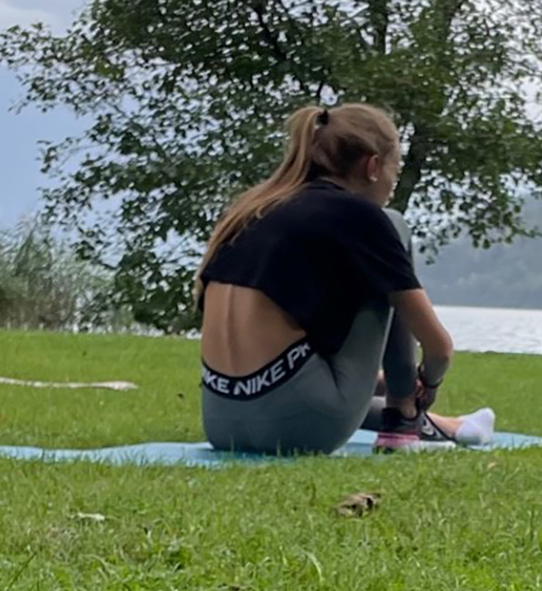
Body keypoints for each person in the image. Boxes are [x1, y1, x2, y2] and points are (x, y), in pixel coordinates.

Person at [197, 102, 469, 455]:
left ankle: (428, 418)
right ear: (373, 166)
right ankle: (403, 419)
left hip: (222, 423)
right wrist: (427, 383)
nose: (393, 183)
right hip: (301, 427)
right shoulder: (360, 216)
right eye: (396, 170)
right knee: (395, 224)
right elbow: (439, 349)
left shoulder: (254, 209)